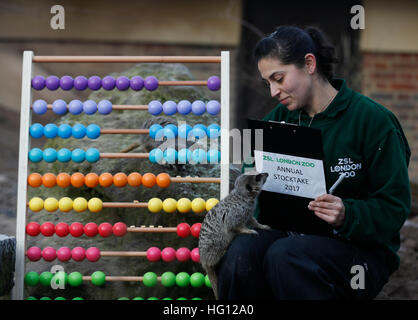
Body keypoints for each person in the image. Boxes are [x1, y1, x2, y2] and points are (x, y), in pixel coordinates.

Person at [216, 25, 411, 300]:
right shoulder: (277, 120)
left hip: (361, 253)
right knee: (241, 251)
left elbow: (395, 208)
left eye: (279, 78)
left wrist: (348, 214)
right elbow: (255, 186)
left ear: (309, 63)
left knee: (285, 257)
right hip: (291, 236)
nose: (273, 91)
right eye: (268, 82)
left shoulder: (373, 121)